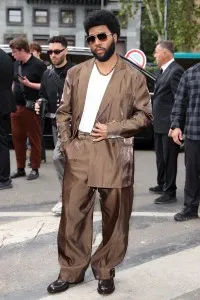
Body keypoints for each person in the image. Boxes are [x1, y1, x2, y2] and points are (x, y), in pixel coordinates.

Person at [47, 10, 152, 295]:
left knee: (115, 216)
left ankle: (105, 270)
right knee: (72, 215)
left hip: (115, 151)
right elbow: (63, 112)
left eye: (102, 36)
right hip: (79, 150)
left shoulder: (132, 76)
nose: (97, 42)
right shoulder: (75, 73)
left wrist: (114, 128)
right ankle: (71, 270)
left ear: (114, 37)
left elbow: (144, 116)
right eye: (92, 38)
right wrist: (68, 145)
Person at [35, 36, 74, 215]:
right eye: (50, 51)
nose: (53, 55)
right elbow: (43, 94)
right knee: (68, 161)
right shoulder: (47, 73)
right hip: (53, 122)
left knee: (58, 158)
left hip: (72, 124)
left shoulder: (75, 72)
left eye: (57, 51)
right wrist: (39, 102)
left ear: (65, 50)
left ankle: (65, 198)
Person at [149, 41, 184, 204]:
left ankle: (170, 192)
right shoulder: (163, 71)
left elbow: (180, 98)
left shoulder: (176, 71)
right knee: (160, 158)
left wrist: (176, 124)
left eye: (157, 52)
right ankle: (162, 184)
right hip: (159, 124)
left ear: (166, 54)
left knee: (169, 159)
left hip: (169, 124)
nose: (154, 55)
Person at [9, 37, 46, 180]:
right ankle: (20, 168)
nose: (13, 55)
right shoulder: (16, 64)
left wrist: (29, 84)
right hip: (16, 108)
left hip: (31, 107)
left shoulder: (38, 65)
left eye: (14, 52)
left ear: (23, 50)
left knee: (34, 140)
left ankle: (35, 169)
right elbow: (14, 83)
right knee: (17, 140)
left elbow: (45, 86)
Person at [170, 63, 200, 221]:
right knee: (192, 173)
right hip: (194, 133)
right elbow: (179, 102)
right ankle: (191, 208)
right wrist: (175, 126)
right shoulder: (190, 74)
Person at [0, 48, 15, 190]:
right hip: (4, 103)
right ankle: (4, 177)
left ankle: (4, 179)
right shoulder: (5, 55)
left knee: (1, 143)